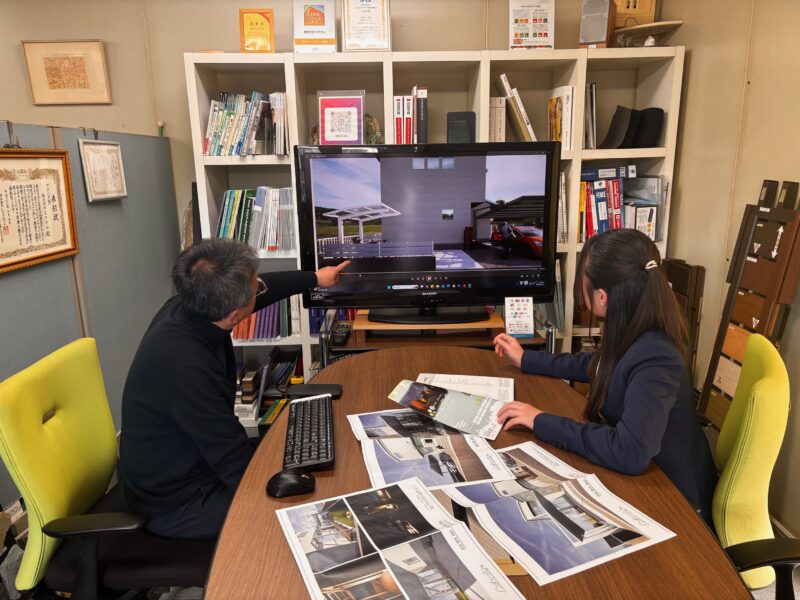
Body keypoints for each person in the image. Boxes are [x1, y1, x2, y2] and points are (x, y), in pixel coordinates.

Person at [119, 238, 349, 540]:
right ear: (235, 313)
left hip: (192, 461)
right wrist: (286, 487)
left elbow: (265, 289)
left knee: (299, 462)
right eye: (255, 286)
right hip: (178, 502)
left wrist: (315, 278)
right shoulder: (186, 366)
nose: (260, 286)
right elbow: (231, 460)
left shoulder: (191, 305)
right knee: (306, 514)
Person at [493, 229, 718, 525]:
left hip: (673, 500)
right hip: (648, 478)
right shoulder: (638, 325)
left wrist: (540, 420)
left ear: (602, 297)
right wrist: (525, 358)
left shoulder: (657, 355)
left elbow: (629, 453)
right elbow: (596, 365)